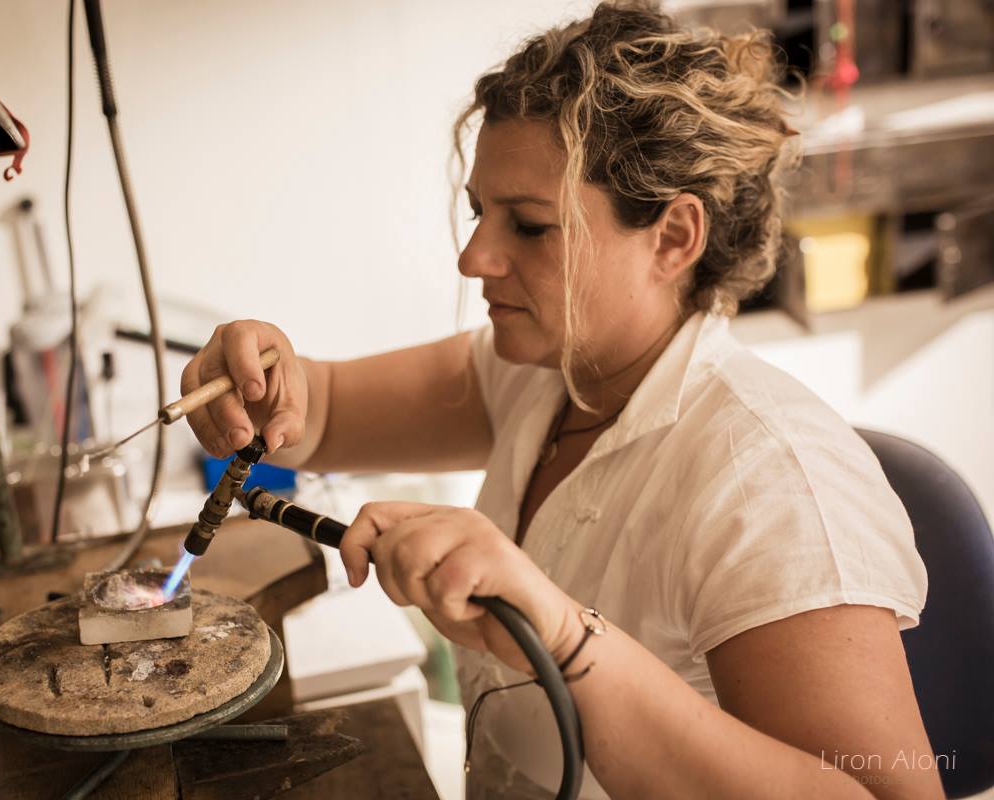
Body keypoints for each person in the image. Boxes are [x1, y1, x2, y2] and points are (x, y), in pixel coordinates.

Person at [180, 3, 940, 797]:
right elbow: (321, 411)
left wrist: (566, 640)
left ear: (674, 238)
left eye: (530, 226)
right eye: (479, 213)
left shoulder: (773, 486)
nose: (475, 257)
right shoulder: (547, 369)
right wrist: (260, 374)